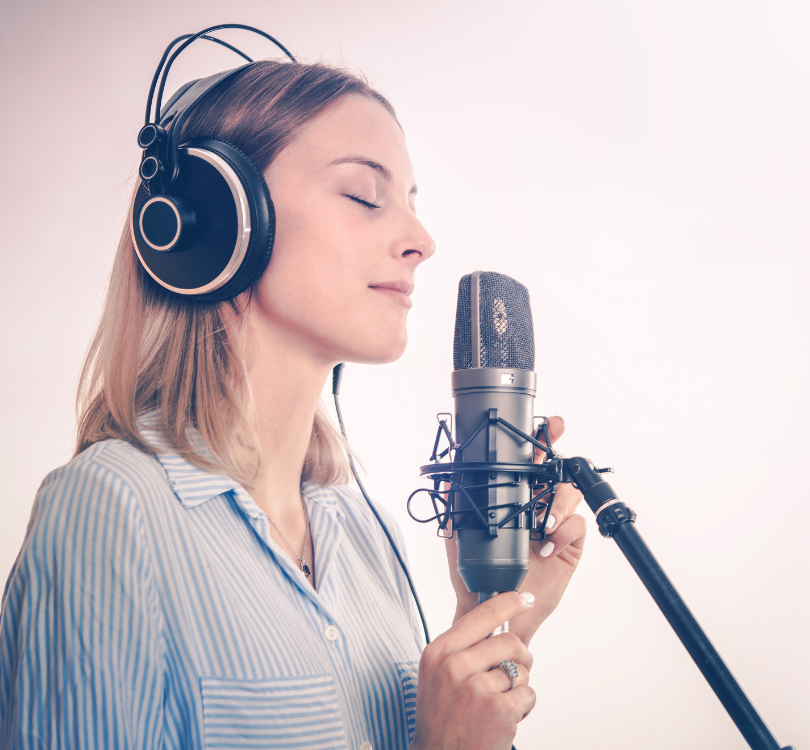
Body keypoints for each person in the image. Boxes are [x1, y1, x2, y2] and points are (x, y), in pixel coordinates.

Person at [0, 53, 587, 750]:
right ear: (221, 222)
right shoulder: (110, 510)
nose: (421, 242)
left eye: (411, 203)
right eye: (364, 196)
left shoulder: (361, 530)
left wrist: (488, 617)